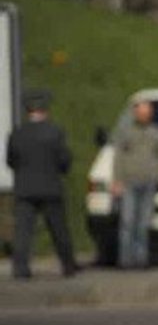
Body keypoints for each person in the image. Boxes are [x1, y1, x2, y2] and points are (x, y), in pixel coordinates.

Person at [5, 89, 77, 279]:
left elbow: (11, 160)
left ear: (28, 112)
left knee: (23, 232)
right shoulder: (55, 132)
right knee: (58, 229)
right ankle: (68, 265)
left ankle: (20, 268)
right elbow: (64, 160)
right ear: (45, 111)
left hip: (25, 188)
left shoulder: (17, 133)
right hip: (50, 187)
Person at [111, 100, 158, 269]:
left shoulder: (157, 133)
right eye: (141, 113)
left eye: (147, 113)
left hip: (149, 183)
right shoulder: (126, 132)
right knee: (127, 222)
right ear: (136, 114)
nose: (144, 116)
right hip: (129, 183)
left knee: (143, 224)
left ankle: (141, 259)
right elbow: (118, 157)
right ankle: (125, 260)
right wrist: (117, 180)